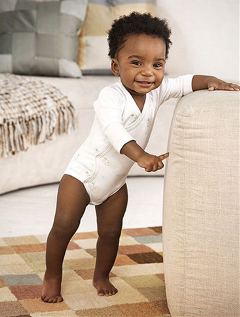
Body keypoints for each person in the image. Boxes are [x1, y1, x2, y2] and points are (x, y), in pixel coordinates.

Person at [41, 12, 240, 303]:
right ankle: (52, 275)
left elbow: (186, 82)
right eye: (137, 63)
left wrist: (213, 81)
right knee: (63, 227)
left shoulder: (157, 92)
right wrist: (141, 156)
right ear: (115, 65)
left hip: (114, 184)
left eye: (157, 65)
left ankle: (101, 275)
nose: (148, 72)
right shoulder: (110, 97)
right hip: (84, 175)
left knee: (110, 233)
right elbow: (114, 130)